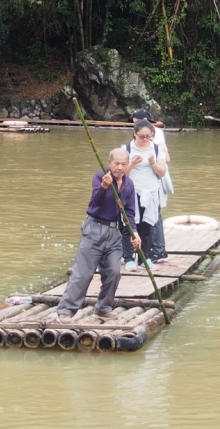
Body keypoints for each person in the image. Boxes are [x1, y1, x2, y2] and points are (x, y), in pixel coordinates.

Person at [55, 148, 140, 323]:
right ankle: (66, 311)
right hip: (94, 228)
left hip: (114, 232)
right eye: (116, 163)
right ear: (109, 163)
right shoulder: (100, 176)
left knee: (114, 272)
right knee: (83, 272)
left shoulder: (129, 184)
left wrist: (134, 233)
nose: (120, 167)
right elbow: (95, 204)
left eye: (124, 164)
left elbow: (129, 213)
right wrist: (104, 186)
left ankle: (103, 308)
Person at [122, 119, 167, 271]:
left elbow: (162, 172)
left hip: (150, 191)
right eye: (142, 136)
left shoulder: (155, 148)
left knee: (146, 226)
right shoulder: (127, 148)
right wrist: (132, 163)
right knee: (129, 225)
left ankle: (144, 258)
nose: (145, 139)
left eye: (149, 136)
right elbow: (122, 174)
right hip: (132, 191)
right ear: (134, 134)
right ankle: (128, 258)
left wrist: (153, 163)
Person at [132, 109, 171, 262]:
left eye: (135, 121)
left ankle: (159, 249)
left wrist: (152, 160)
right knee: (142, 216)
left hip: (154, 180)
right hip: (140, 183)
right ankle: (147, 250)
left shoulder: (156, 134)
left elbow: (166, 158)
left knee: (154, 214)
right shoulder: (133, 142)